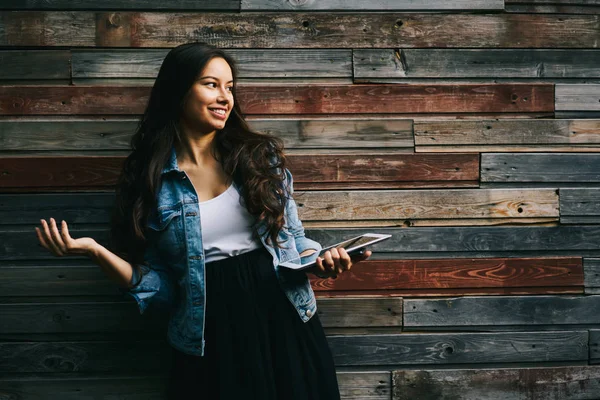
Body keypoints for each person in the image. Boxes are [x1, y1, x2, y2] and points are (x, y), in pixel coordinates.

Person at [34, 42, 371, 399]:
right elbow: (161, 289)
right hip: (208, 333)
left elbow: (295, 242)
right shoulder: (150, 184)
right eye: (211, 84)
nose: (225, 96)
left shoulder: (259, 158)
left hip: (284, 319)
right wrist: (95, 252)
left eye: (229, 87)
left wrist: (322, 262)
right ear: (179, 90)